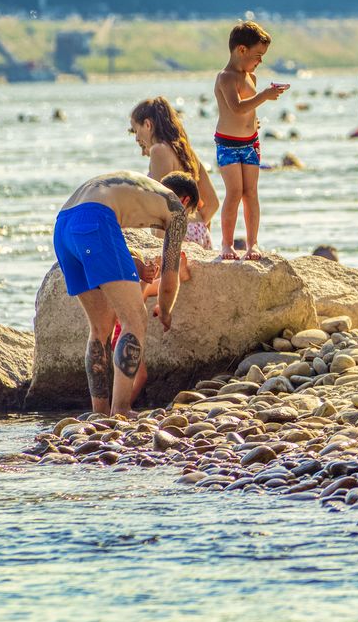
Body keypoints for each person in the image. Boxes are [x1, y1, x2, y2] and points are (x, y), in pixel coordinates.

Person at [52, 170, 198, 415]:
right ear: (186, 202)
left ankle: (99, 412)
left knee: (99, 328)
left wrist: (136, 265)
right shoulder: (176, 208)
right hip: (95, 220)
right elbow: (170, 276)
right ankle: (121, 409)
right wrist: (165, 309)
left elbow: (104, 236)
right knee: (135, 320)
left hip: (63, 226)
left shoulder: (138, 187)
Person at [214, 21, 288, 260]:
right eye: (258, 55)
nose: (260, 61)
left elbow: (248, 112)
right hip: (228, 144)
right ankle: (227, 244)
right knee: (234, 192)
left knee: (251, 193)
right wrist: (265, 96)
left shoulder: (251, 77)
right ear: (241, 50)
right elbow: (236, 108)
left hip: (250, 143)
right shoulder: (226, 78)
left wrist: (254, 122)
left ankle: (252, 243)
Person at [131, 96, 221, 251]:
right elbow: (213, 203)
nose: (137, 137)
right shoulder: (186, 152)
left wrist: (158, 247)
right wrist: (196, 225)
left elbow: (162, 204)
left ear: (147, 124)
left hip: (174, 233)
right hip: (198, 230)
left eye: (136, 130)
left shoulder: (159, 150)